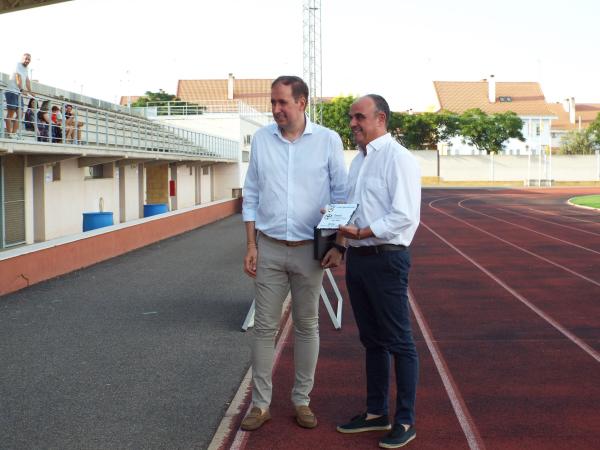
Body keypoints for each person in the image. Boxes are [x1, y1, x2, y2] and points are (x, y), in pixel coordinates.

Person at [241, 75, 347, 431]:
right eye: (273, 103)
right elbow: (251, 193)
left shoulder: (328, 141)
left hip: (310, 252)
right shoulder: (261, 139)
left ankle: (302, 400)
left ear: (302, 102)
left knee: (307, 326)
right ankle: (260, 405)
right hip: (269, 247)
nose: (275, 109)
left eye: (282, 102)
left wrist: (338, 245)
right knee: (263, 330)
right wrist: (252, 244)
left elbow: (341, 196)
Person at [335, 95, 421, 448]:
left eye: (359, 117)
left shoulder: (399, 159)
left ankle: (404, 420)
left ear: (380, 118)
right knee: (372, 340)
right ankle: (375, 413)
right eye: (351, 117)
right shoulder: (358, 161)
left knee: (400, 341)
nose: (353, 123)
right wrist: (340, 237)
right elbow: (353, 209)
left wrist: (364, 232)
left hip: (386, 259)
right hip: (359, 259)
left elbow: (404, 215)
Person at [4, 53, 33, 137]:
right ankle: (9, 133)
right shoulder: (18, 65)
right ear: (22, 59)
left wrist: (30, 91)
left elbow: (27, 80)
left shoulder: (26, 69)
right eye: (26, 58)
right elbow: (17, 77)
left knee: (20, 114)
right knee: (11, 114)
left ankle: (14, 133)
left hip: (18, 93)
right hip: (12, 91)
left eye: (29, 59)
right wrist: (21, 89)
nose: (27, 60)